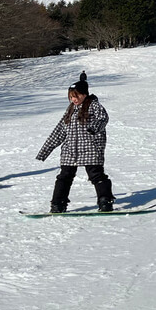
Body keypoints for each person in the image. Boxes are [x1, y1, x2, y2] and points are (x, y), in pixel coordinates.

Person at [36, 72, 115, 213]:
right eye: (71, 96)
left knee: (96, 175)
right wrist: (45, 150)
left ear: (84, 94)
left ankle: (105, 201)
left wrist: (93, 128)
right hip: (70, 150)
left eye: (76, 96)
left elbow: (103, 118)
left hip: (91, 148)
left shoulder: (94, 105)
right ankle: (57, 204)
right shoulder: (70, 110)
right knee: (64, 177)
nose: (74, 99)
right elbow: (59, 130)